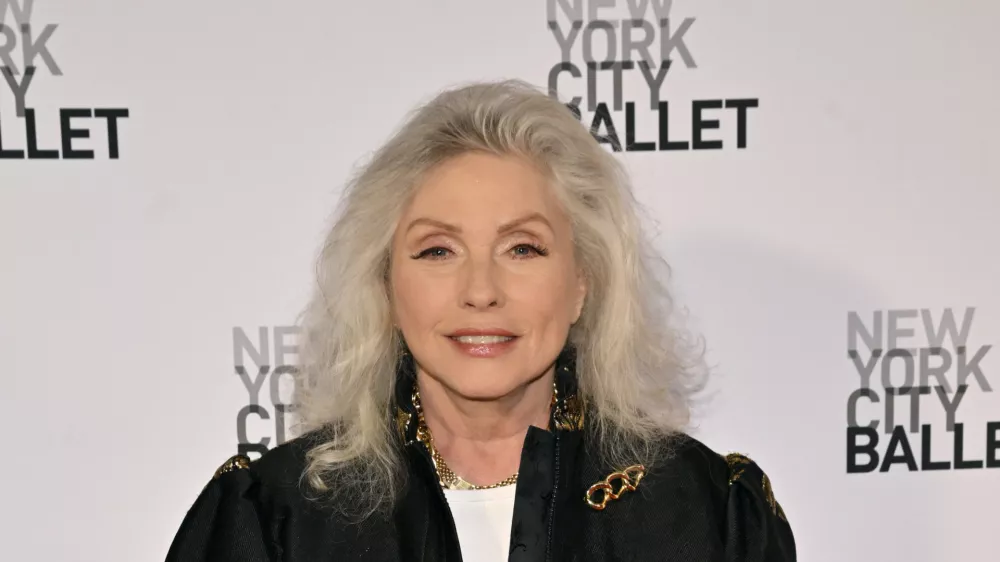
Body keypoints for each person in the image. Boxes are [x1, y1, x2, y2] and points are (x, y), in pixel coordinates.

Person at [165, 79, 796, 561]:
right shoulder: (274, 523)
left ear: (582, 283)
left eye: (523, 248)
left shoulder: (707, 514)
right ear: (385, 285)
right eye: (437, 250)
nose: (481, 291)